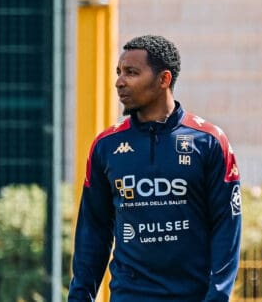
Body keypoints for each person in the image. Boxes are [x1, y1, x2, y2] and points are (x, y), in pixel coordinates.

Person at [68, 35, 242, 302]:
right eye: (118, 72)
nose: (120, 81)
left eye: (131, 72)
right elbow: (94, 230)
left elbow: (226, 227)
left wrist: (217, 297)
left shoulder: (209, 141)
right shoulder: (106, 146)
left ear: (164, 79)